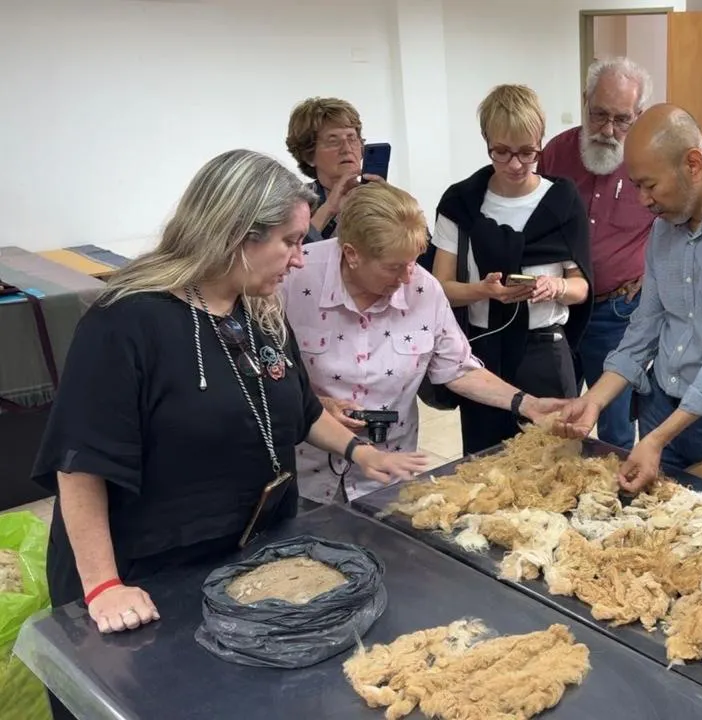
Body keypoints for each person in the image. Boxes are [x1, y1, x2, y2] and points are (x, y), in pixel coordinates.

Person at [30, 150, 431, 719]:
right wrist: (103, 588)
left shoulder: (260, 310)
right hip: (149, 575)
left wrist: (361, 452)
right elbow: (80, 464)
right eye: (290, 241)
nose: (299, 258)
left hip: (245, 555)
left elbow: (296, 409)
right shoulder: (124, 323)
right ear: (239, 235)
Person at [554, 104, 702, 492]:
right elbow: (644, 328)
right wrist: (595, 400)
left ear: (693, 164)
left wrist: (656, 440)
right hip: (660, 409)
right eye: (635, 185)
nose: (642, 200)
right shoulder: (664, 229)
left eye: (649, 185)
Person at [281, 181, 568, 503]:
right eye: (393, 267)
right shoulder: (292, 276)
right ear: (352, 255)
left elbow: (457, 368)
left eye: (413, 262)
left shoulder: (423, 288)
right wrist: (318, 405)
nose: (407, 278)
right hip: (304, 476)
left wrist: (528, 404)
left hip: (388, 475)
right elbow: (260, 371)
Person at [429, 84, 593, 455]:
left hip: (544, 351)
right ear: (486, 141)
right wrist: (483, 291)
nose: (516, 164)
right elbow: (440, 287)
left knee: (554, 463)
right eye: (501, 152)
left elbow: (581, 287)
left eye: (527, 152)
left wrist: (554, 287)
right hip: (482, 354)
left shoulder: (562, 202)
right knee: (484, 463)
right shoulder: (462, 202)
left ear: (541, 142)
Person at [540, 57, 654, 451]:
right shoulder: (556, 153)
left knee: (615, 425)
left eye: (621, 120)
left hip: (616, 311)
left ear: (638, 116)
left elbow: (677, 222)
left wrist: (651, 270)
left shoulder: (650, 161)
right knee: (559, 413)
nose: (607, 130)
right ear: (584, 101)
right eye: (599, 114)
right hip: (558, 310)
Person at [285, 97, 384, 242]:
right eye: (333, 141)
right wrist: (328, 209)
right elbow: (289, 253)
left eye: (352, 138)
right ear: (309, 156)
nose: (347, 149)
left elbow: (423, 259)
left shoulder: (384, 195)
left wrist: (398, 210)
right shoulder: (295, 202)